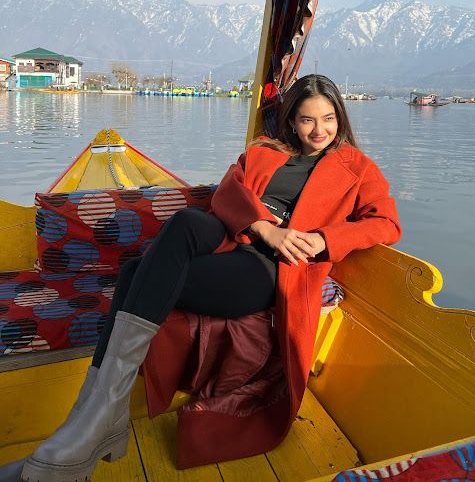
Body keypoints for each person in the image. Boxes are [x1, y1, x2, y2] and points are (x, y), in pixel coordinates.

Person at [0, 74, 401, 482]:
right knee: (189, 220)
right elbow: (227, 193)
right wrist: (264, 226)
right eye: (307, 120)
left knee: (138, 271)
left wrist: (322, 239)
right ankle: (92, 429)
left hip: (270, 268)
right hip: (237, 236)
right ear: (292, 121)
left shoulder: (358, 167)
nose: (319, 130)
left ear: (341, 117)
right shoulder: (265, 152)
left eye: (328, 118)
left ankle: (87, 432)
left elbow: (386, 223)